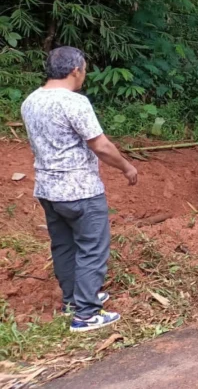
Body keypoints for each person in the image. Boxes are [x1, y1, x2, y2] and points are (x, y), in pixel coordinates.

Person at [20, 47, 138, 332]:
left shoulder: (31, 101)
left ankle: (73, 301)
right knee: (92, 249)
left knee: (64, 246)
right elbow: (100, 145)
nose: (84, 74)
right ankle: (86, 314)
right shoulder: (74, 102)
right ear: (75, 70)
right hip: (80, 189)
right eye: (84, 69)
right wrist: (126, 167)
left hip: (48, 189)